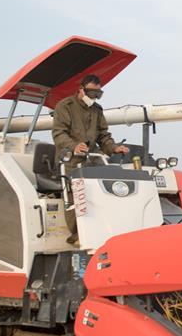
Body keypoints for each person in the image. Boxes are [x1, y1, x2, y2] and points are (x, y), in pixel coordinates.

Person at [52, 74, 129, 243]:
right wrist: (74, 146)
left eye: (98, 94)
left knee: (101, 192)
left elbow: (103, 136)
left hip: (92, 159)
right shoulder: (65, 106)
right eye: (92, 93)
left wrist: (114, 147)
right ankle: (78, 235)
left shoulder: (97, 110)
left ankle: (105, 230)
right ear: (81, 89)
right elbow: (59, 133)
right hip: (70, 160)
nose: (94, 97)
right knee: (76, 195)